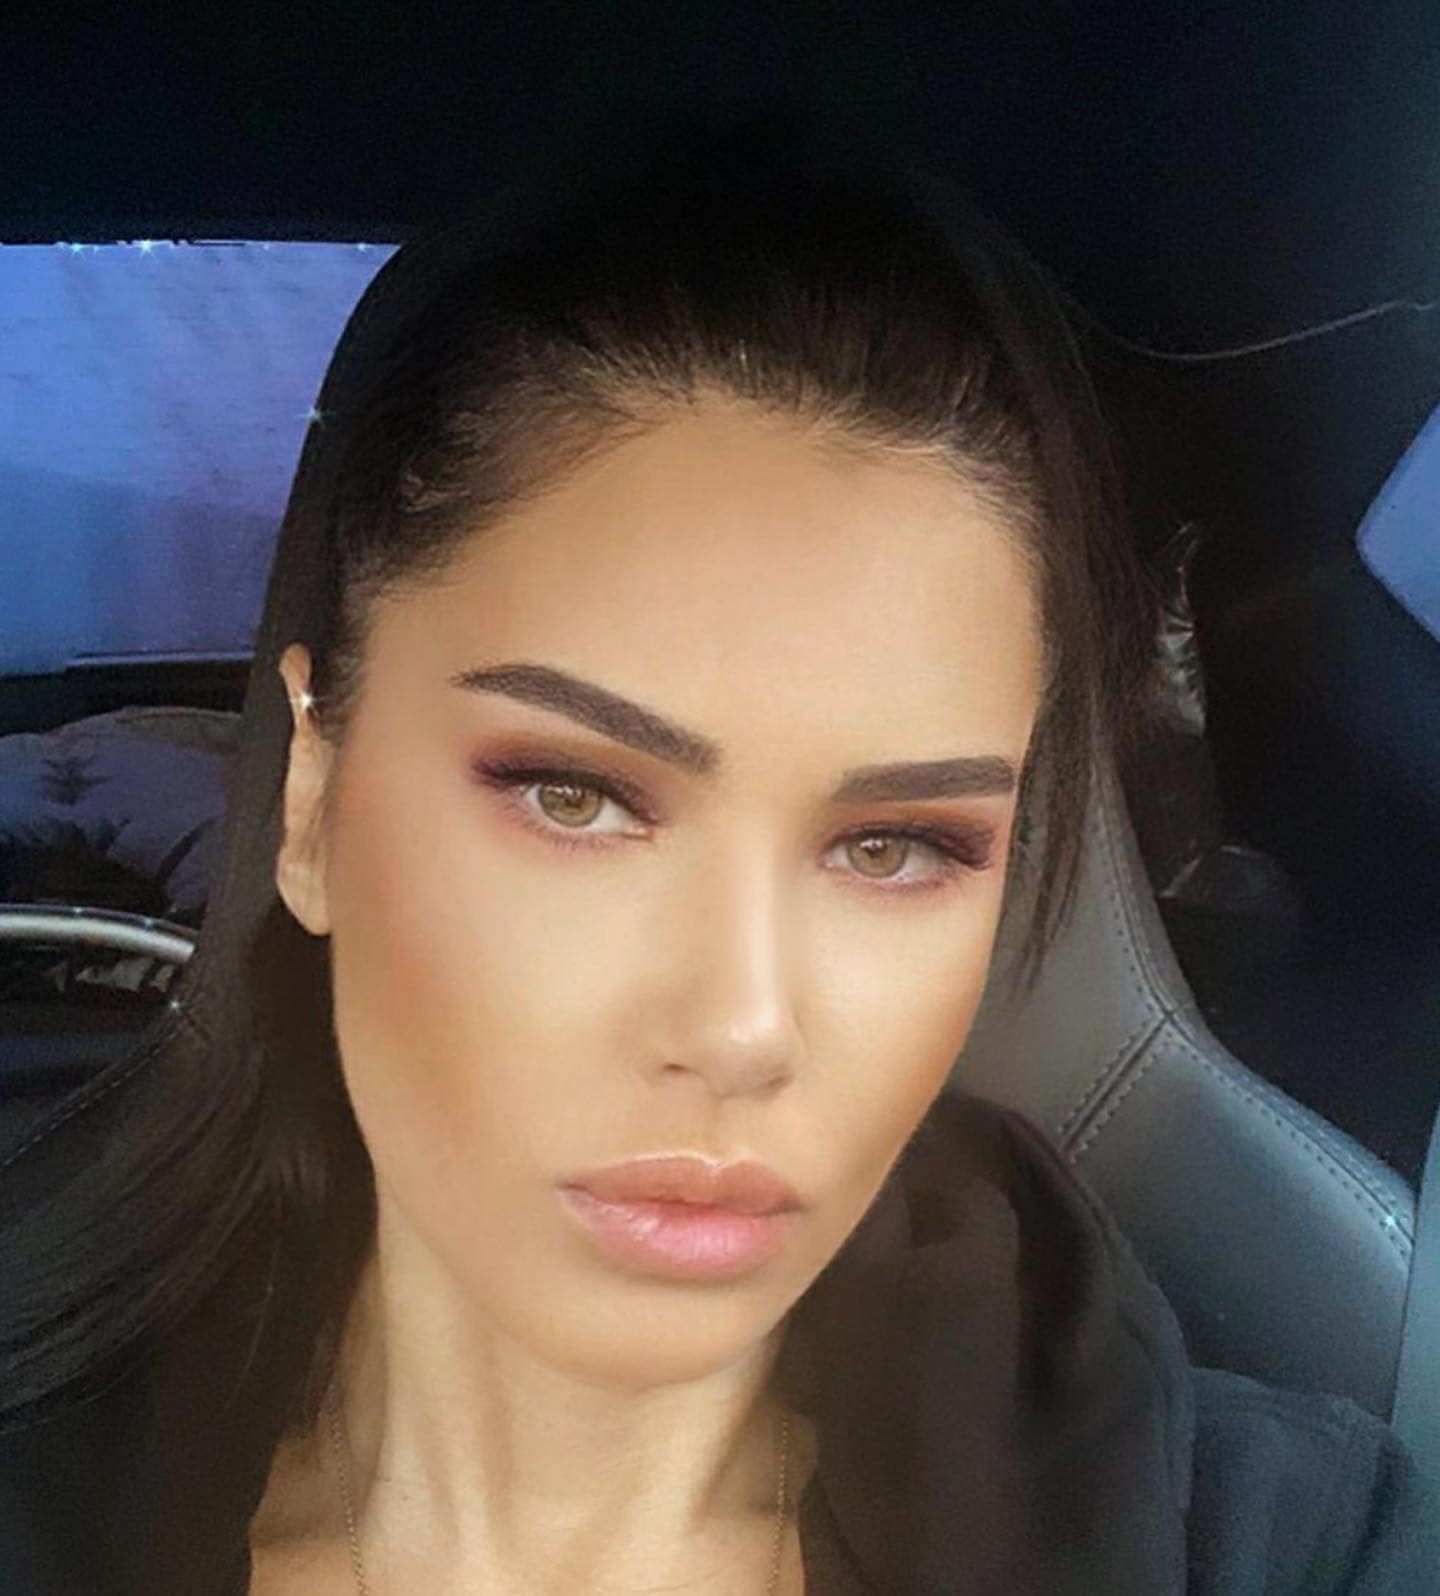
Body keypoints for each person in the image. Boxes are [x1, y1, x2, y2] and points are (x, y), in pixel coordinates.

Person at [1, 116, 1435, 1596]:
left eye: (893, 846)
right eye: (575, 798)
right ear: (310, 801)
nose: (742, 1028)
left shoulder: (1280, 1544)